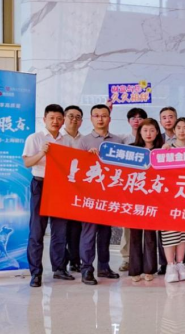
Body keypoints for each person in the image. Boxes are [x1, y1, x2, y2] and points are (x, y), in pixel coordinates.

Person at [22, 104, 74, 287]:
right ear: (44, 119)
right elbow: (27, 162)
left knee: (60, 231)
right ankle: (36, 273)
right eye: (52, 118)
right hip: (41, 184)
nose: (55, 121)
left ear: (63, 120)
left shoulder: (67, 140)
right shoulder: (35, 138)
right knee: (37, 231)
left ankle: (59, 269)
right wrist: (42, 152)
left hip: (60, 187)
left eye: (59, 118)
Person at [78, 104, 124, 285]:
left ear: (109, 118)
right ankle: (86, 269)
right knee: (89, 233)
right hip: (90, 195)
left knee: (105, 233)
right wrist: (87, 157)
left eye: (104, 115)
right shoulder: (84, 141)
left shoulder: (118, 141)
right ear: (91, 119)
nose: (100, 119)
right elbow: (77, 168)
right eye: (96, 115)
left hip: (109, 195)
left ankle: (104, 267)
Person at [160, 117, 185, 283]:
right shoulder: (167, 149)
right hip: (169, 197)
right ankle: (170, 265)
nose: (182, 131)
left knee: (184, 232)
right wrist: (163, 151)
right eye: (179, 128)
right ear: (174, 131)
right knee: (169, 231)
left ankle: (180, 263)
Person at [128, 118, 163, 282]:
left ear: (157, 132)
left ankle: (150, 269)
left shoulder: (161, 151)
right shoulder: (131, 150)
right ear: (139, 132)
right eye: (145, 130)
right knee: (134, 235)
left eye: (152, 130)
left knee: (150, 235)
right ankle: (135, 270)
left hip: (153, 198)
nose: (148, 134)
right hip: (135, 198)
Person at [118, 107, 147, 273]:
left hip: (149, 188)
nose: (137, 120)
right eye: (133, 118)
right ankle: (127, 258)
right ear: (129, 121)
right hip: (130, 188)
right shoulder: (123, 139)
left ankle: (149, 259)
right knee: (128, 226)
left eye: (140, 117)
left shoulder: (153, 138)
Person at [61, 105, 84, 273]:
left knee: (76, 228)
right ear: (64, 118)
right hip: (60, 188)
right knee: (60, 229)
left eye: (78, 117)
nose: (74, 120)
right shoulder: (58, 139)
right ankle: (61, 262)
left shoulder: (84, 140)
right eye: (71, 116)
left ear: (81, 121)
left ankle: (75, 261)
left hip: (79, 190)